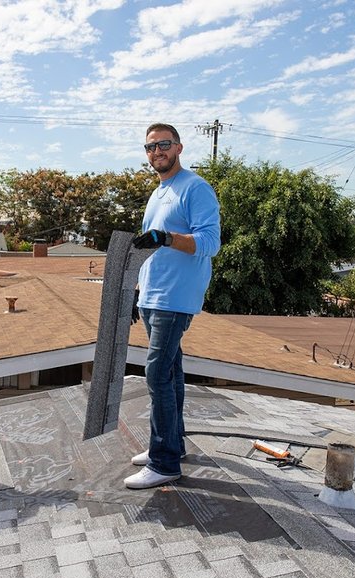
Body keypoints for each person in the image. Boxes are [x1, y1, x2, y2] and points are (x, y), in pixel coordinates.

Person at [125, 123, 221, 490]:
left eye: (163, 145)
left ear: (178, 147)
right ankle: (172, 445)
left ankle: (164, 462)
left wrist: (167, 237)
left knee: (156, 374)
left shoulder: (195, 188)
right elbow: (149, 249)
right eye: (150, 147)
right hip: (153, 294)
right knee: (172, 371)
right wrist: (137, 289)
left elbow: (209, 242)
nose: (156, 152)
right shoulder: (159, 192)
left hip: (175, 297)